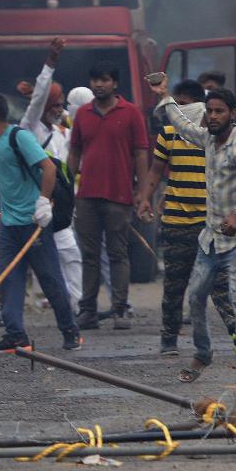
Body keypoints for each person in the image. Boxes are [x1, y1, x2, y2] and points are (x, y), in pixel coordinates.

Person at [152, 77, 236, 384]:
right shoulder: (207, 139)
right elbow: (181, 124)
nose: (213, 116)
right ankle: (203, 354)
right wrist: (164, 95)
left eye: (219, 111)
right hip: (210, 237)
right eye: (210, 111)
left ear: (232, 113)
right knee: (195, 296)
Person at [136, 79, 236, 357]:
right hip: (175, 221)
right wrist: (145, 198)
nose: (179, 111)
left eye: (184, 105)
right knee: (174, 284)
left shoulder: (217, 137)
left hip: (209, 223)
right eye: (177, 105)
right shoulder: (169, 133)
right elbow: (155, 171)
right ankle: (169, 339)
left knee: (220, 285)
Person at [0, 93, 81, 352]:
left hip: (35, 223)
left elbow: (49, 168)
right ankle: (15, 335)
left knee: (50, 280)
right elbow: (8, 175)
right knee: (9, 279)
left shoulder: (18, 137)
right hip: (9, 225)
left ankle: (70, 330)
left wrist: (43, 202)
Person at [67, 61, 149, 330]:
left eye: (104, 80)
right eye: (95, 80)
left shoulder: (131, 113)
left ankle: (120, 309)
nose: (99, 84)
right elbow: (74, 152)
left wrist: (143, 191)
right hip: (87, 194)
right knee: (88, 255)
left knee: (117, 253)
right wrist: (67, 185)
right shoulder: (82, 114)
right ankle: (88, 310)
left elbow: (140, 152)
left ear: (114, 83)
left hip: (118, 194)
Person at [19, 37, 82, 307]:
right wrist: (51, 62)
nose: (60, 110)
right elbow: (40, 95)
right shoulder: (29, 125)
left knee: (70, 253)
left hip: (59, 206)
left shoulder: (60, 133)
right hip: (32, 203)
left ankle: (77, 305)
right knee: (16, 257)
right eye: (56, 105)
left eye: (61, 106)